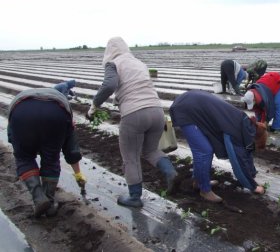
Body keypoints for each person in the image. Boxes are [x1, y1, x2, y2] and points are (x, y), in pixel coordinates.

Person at [86, 37, 177, 208]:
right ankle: (171, 172)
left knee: (130, 157)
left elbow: (108, 85)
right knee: (151, 150)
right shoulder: (138, 63)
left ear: (109, 51)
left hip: (134, 114)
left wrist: (94, 105)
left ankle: (135, 197)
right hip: (157, 111)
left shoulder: (113, 63)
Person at [169, 90, 267, 202]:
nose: (253, 149)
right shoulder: (236, 131)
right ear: (255, 139)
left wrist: (252, 174)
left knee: (204, 149)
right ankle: (205, 191)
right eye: (255, 147)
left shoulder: (246, 125)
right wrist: (253, 186)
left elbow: (247, 154)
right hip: (186, 110)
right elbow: (239, 162)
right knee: (204, 151)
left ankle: (199, 182)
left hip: (192, 104)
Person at [7, 88, 86, 217]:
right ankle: (49, 201)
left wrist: (22, 148)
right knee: (51, 159)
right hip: (56, 115)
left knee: (24, 158)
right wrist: (78, 174)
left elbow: (11, 137)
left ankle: (39, 198)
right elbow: (71, 148)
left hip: (21, 112)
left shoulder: (21, 98)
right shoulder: (63, 103)